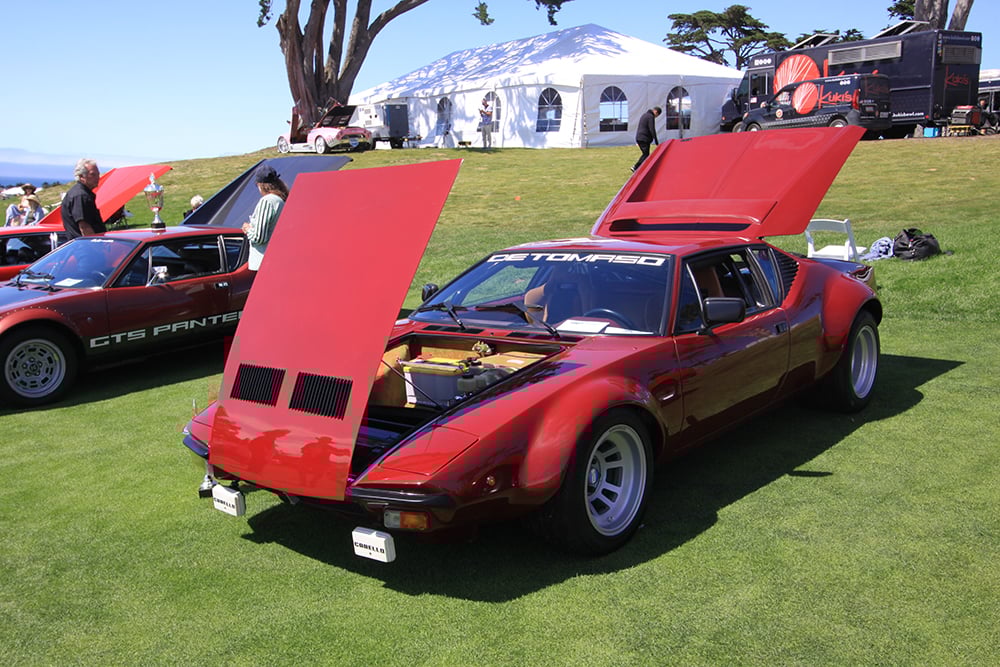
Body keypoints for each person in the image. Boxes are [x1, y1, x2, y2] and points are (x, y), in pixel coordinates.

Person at [241, 165, 288, 271]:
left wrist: (247, 228)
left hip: (264, 263)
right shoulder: (281, 199)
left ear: (260, 185)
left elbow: (259, 237)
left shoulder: (267, 201)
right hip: (276, 260)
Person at [62, 159, 104, 239]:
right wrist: (95, 246)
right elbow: (84, 227)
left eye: (98, 174)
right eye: (93, 175)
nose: (97, 178)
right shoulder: (81, 195)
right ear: (81, 177)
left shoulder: (81, 193)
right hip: (83, 247)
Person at [632, 106, 662, 172]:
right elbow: (652, 129)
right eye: (657, 115)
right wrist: (656, 140)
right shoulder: (650, 117)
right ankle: (636, 167)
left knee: (645, 154)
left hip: (639, 137)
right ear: (656, 112)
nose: (656, 117)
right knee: (646, 154)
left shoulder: (644, 115)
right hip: (644, 138)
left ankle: (641, 168)